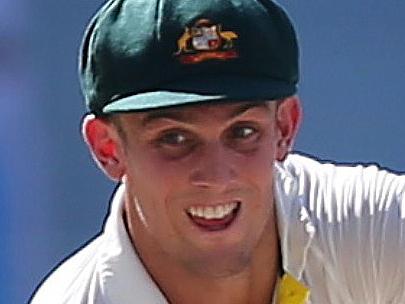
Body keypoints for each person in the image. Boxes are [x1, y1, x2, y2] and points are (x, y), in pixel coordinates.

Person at [30, 0, 405, 303]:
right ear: (108, 148)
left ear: (284, 128)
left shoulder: (371, 226)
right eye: (174, 138)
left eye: (243, 132)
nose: (216, 176)